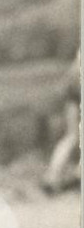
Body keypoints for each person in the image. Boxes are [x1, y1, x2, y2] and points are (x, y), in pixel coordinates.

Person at [42, 49, 81, 195]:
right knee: (72, 137)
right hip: (76, 92)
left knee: (71, 137)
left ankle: (53, 177)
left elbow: (71, 79)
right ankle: (59, 177)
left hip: (73, 93)